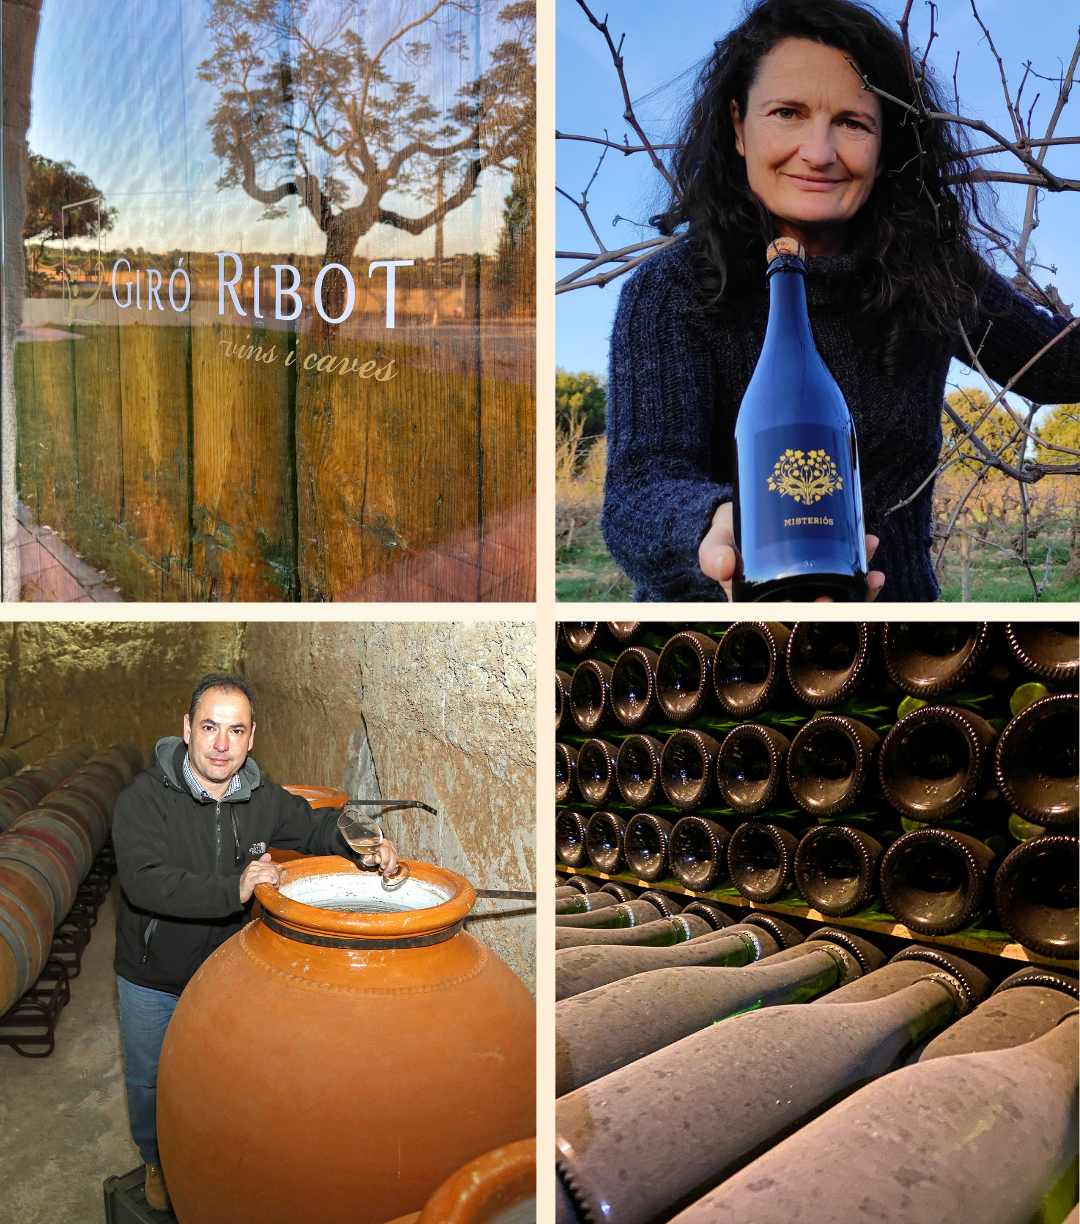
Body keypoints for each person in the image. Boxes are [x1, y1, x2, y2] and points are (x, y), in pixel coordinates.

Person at [600, 0, 1080, 602]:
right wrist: (717, 525)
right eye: (787, 113)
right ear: (739, 128)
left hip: (900, 634)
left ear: (885, 147)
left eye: (853, 123)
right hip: (722, 642)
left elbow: (1061, 362)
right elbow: (641, 490)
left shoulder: (928, 271)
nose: (820, 151)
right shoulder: (672, 291)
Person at [111, 673, 399, 1211]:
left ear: (252, 736)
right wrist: (235, 886)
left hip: (228, 970)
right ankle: (156, 1159)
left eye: (236, 730)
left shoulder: (262, 797)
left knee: (222, 1075)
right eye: (210, 727)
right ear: (187, 729)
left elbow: (315, 826)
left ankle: (209, 1153)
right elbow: (145, 880)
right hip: (153, 973)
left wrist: (363, 840)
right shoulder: (143, 800)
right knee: (150, 1079)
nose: (222, 744)